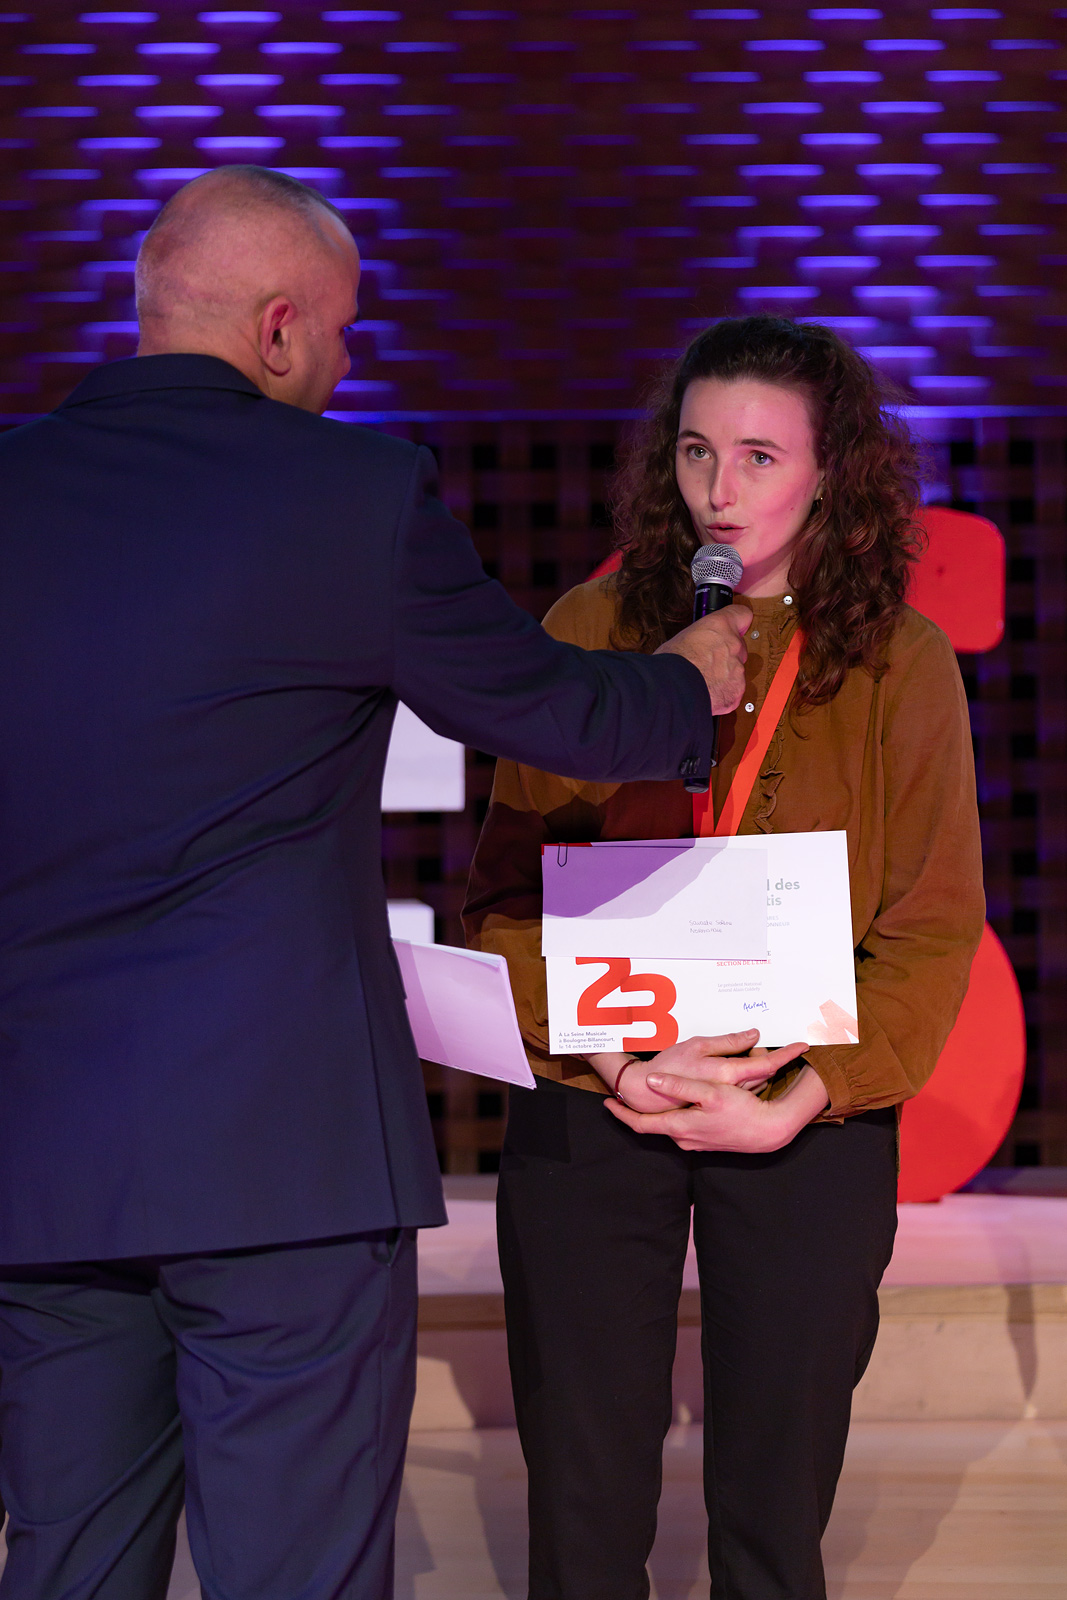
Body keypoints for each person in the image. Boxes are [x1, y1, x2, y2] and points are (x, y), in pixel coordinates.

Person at [0, 166, 752, 1600]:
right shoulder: (347, 491)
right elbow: (539, 704)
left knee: (69, 1568)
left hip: (41, 1167)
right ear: (280, 328)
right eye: (343, 333)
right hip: (283, 1165)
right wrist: (681, 681)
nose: (344, 363)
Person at [464, 315, 985, 1600]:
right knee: (583, 1505)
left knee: (772, 1503)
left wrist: (801, 1095)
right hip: (601, 1088)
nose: (719, 489)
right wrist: (610, 1052)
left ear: (829, 471)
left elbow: (928, 929)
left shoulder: (898, 657)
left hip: (799, 1102)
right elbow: (503, 900)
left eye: (758, 457)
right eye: (696, 452)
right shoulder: (591, 623)